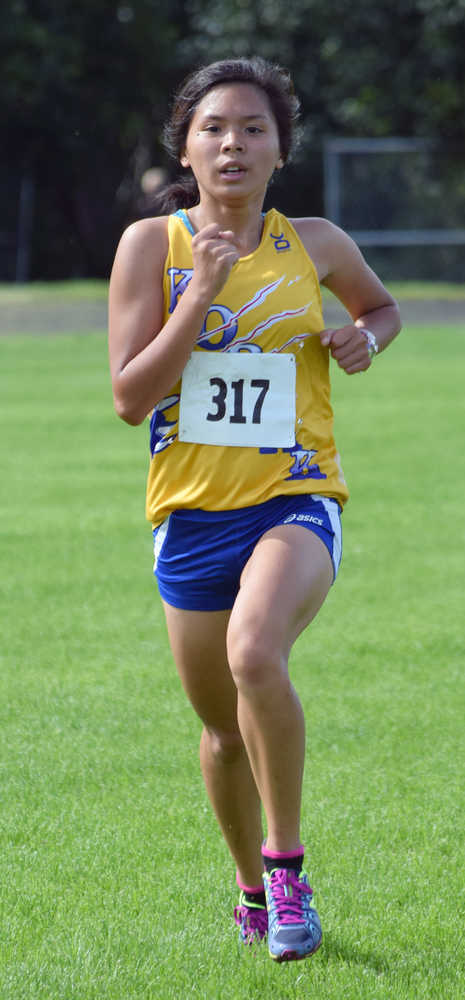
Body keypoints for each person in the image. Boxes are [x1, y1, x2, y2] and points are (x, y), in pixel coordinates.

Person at [108, 56, 401, 963]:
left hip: (294, 495)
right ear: (186, 151)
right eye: (213, 129)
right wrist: (198, 291)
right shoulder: (149, 248)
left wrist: (364, 338)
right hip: (191, 517)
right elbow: (128, 395)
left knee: (254, 653)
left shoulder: (315, 242)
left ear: (281, 149)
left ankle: (286, 870)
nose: (232, 142)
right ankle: (247, 889)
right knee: (222, 732)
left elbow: (380, 308)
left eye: (252, 128)